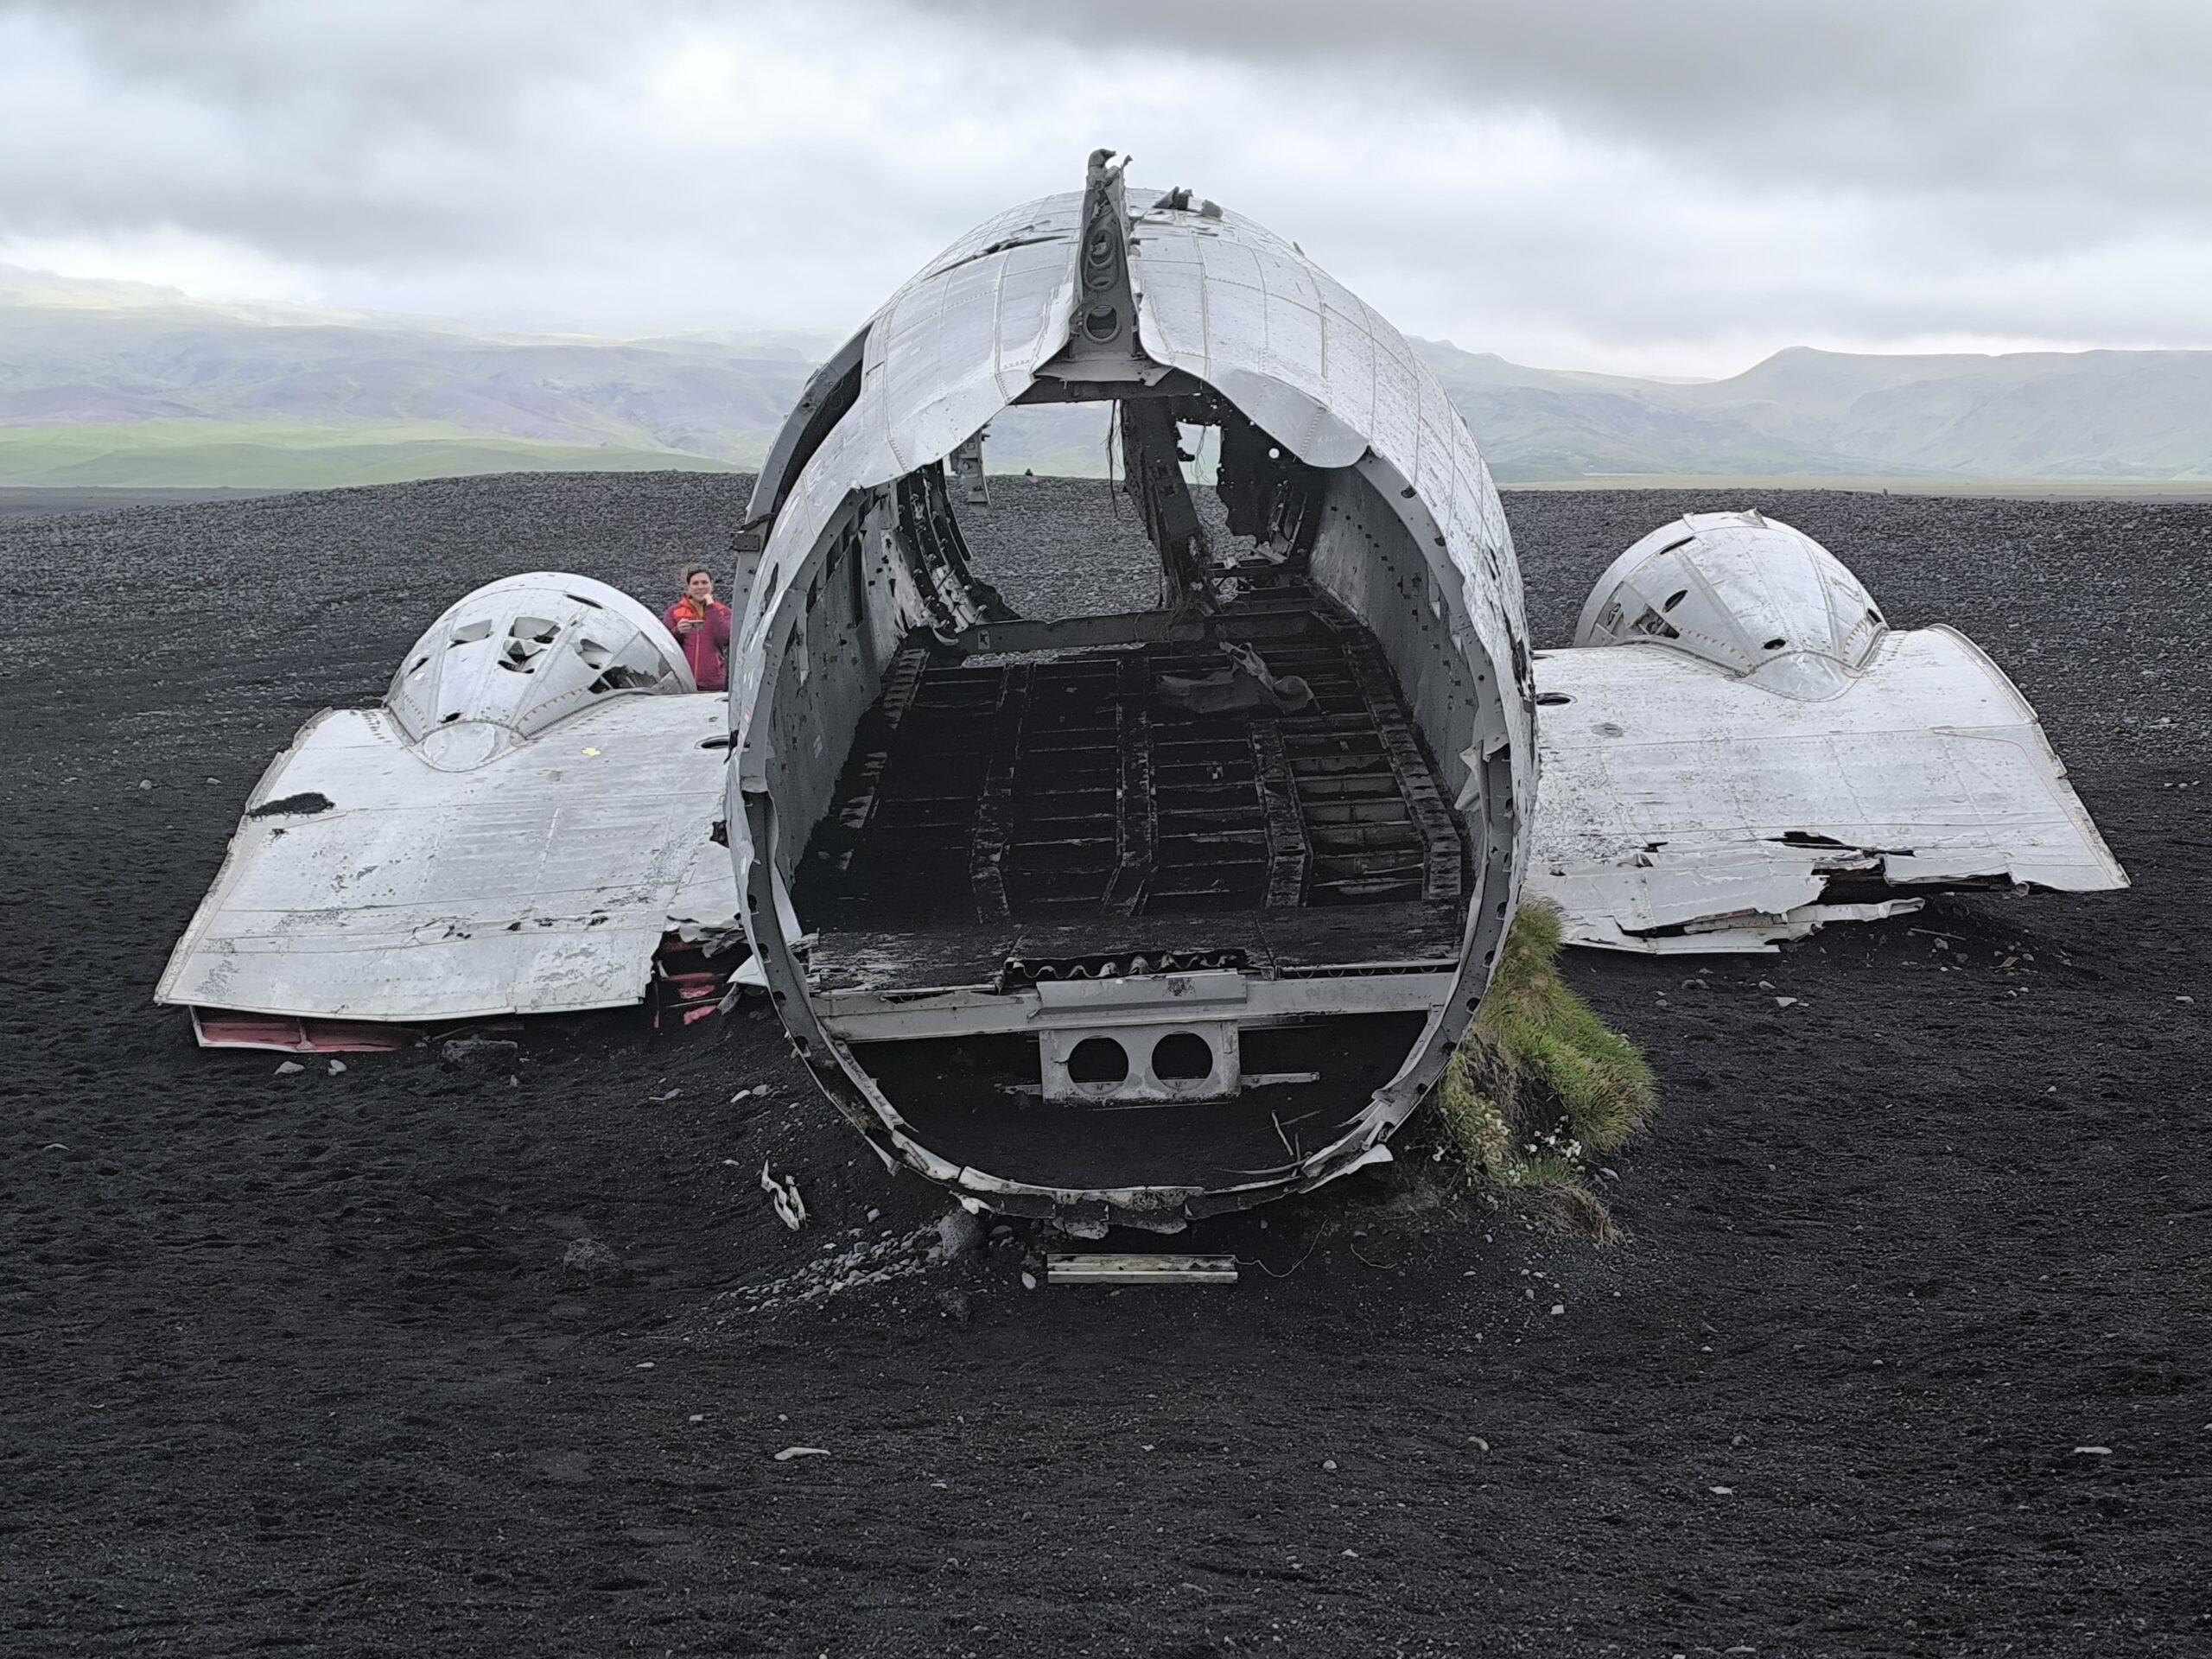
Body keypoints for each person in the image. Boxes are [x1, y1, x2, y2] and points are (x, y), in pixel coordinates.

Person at [663, 566, 734, 692]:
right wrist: (677, 632)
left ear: (712, 586)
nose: (700, 587)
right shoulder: (675, 612)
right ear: (688, 588)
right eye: (695, 583)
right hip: (682, 684)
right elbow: (663, 646)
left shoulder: (723, 612)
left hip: (713, 684)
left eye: (704, 582)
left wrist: (711, 608)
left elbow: (726, 638)